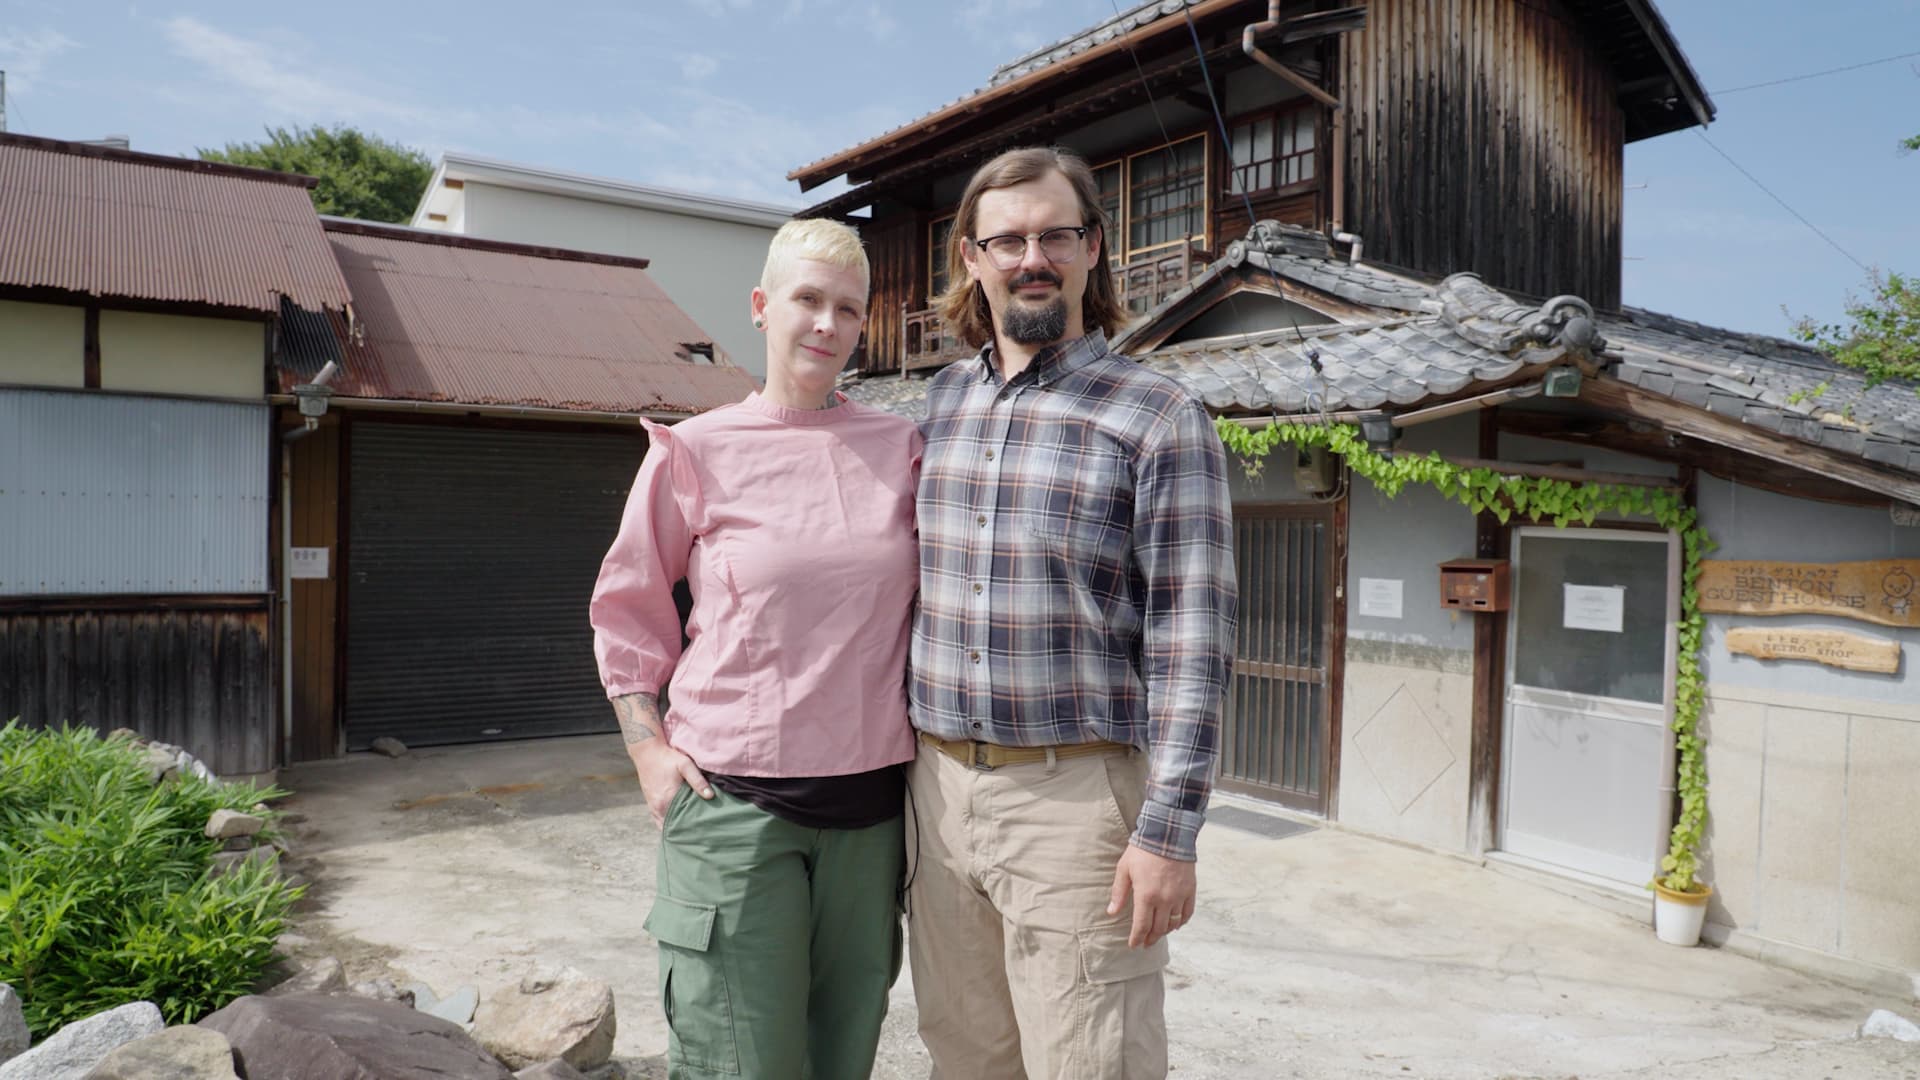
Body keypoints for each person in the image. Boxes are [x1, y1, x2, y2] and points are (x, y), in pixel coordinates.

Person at [907, 146, 1238, 1078]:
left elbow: (1192, 639)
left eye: (1055, 234)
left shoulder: (1158, 414)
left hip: (1078, 802)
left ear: (1094, 248)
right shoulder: (938, 406)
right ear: (971, 259)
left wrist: (1169, 833)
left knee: (1091, 1061)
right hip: (934, 795)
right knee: (963, 1054)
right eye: (1006, 239)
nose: (1031, 257)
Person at [590, 218, 920, 1080]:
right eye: (807, 300)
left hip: (872, 817)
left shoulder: (900, 449)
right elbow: (628, 609)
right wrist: (646, 750)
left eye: (848, 309)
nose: (826, 325)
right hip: (734, 810)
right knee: (737, 1061)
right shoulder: (695, 450)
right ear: (761, 307)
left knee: (843, 1054)